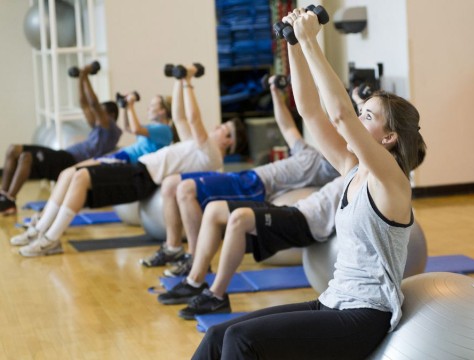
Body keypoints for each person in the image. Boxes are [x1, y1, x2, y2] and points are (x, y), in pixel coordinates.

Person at [192, 8, 426, 360]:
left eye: (367, 116)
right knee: (217, 335)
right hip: (331, 301)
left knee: (242, 341)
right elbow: (311, 111)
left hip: (363, 317)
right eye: (361, 112)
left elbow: (339, 114)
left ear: (389, 137)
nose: (357, 119)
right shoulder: (351, 168)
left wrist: (310, 40)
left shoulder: (391, 180)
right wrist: (293, 45)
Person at [12, 64, 247, 257]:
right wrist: (178, 80)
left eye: (224, 130)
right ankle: (41, 231)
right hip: (139, 168)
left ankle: (51, 239)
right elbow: (180, 117)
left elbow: (194, 120)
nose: (217, 128)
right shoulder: (197, 146)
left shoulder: (211, 154)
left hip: (143, 177)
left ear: (229, 142)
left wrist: (188, 82)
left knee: (81, 176)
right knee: (71, 174)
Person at [139, 75, 340, 275]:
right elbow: (286, 126)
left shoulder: (333, 165)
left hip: (256, 186)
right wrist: (275, 94)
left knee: (185, 189)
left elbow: (316, 117)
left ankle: (193, 258)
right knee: (178, 186)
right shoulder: (308, 150)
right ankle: (182, 252)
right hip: (249, 177)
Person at [156, 176, 343, 315]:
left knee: (240, 218)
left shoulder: (365, 170)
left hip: (305, 223)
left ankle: (216, 296)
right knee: (214, 209)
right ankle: (194, 280)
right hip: (294, 208)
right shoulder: (352, 167)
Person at [0, 61, 122, 216]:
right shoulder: (99, 128)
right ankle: (4, 197)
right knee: (14, 149)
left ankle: (9, 199)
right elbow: (85, 104)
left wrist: (85, 74)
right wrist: (81, 79)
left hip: (69, 161)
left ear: (110, 115)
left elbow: (93, 103)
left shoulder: (111, 129)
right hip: (62, 156)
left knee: (25, 156)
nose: (96, 116)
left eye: (100, 113)